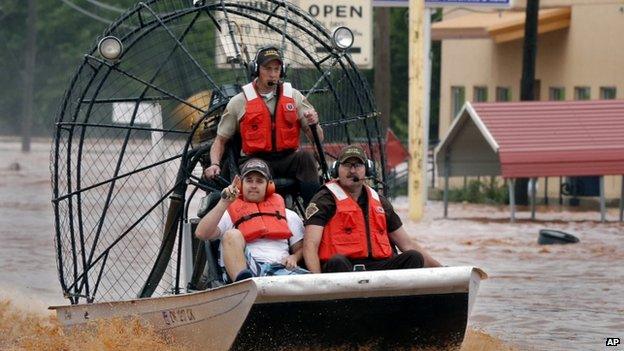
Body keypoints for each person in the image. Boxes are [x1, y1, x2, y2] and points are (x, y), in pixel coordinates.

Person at [203, 46, 322, 205]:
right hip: (255, 159)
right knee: (258, 168)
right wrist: (214, 164)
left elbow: (317, 139)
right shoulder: (239, 102)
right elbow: (220, 141)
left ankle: (313, 214)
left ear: (282, 71)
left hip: (287, 158)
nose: (273, 74)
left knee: (306, 158)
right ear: (256, 69)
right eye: (267, 68)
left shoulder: (294, 96)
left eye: (276, 69)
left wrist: (315, 124)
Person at [303, 145, 441, 273]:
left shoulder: (380, 202)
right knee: (337, 261)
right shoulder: (323, 200)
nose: (352, 171)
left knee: (413, 257)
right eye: (346, 165)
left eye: (357, 165)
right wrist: (317, 282)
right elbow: (310, 246)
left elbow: (407, 244)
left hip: (378, 267)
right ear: (336, 169)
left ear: (367, 169)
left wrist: (441, 270)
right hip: (343, 268)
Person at [196, 158, 307, 282]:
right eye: (249, 181)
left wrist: (294, 257)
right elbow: (201, 233)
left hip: (280, 269)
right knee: (232, 234)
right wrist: (224, 202)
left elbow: (301, 248)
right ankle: (243, 284)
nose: (254, 186)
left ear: (269, 186)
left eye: (259, 181)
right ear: (241, 185)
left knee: (313, 282)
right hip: (247, 271)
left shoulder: (289, 215)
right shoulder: (228, 213)